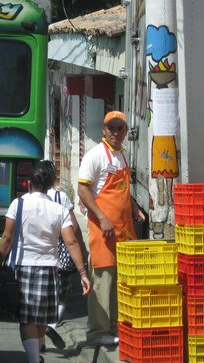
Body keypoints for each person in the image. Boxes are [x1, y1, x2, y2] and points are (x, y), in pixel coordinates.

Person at [0, 161, 91, 363]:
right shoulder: (58, 210)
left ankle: (33, 361)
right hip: (50, 268)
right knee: (39, 319)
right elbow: (71, 242)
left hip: (23, 266)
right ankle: (36, 358)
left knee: (27, 318)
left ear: (29, 183)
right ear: (50, 185)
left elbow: (7, 238)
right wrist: (83, 273)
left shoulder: (17, 205)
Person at [77, 111, 145, 346]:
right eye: (111, 128)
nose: (116, 133)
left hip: (124, 231)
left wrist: (135, 208)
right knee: (102, 282)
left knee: (119, 282)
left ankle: (114, 328)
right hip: (102, 231)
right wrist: (102, 218)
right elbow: (83, 191)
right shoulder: (95, 155)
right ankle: (96, 333)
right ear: (103, 130)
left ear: (126, 132)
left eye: (120, 129)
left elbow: (124, 190)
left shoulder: (122, 155)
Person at [38, 160, 87, 350]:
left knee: (43, 297)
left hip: (42, 253)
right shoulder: (61, 197)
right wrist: (81, 249)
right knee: (62, 295)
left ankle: (40, 339)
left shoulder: (30, 197)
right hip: (62, 254)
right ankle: (51, 325)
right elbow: (73, 227)